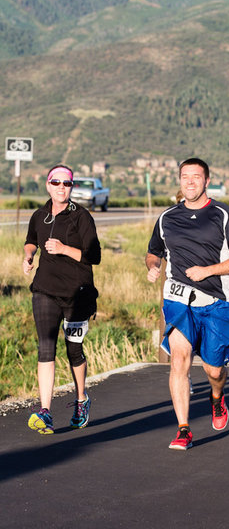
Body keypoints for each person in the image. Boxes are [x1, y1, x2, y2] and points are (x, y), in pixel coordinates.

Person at [146, 157, 229, 450]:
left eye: (196, 177)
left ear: (207, 181)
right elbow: (154, 250)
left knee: (214, 370)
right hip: (178, 298)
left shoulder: (223, 214)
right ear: (179, 180)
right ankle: (183, 428)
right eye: (185, 176)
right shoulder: (167, 217)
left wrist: (208, 271)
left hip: (217, 301)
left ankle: (217, 398)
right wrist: (153, 265)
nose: (190, 181)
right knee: (179, 359)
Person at [23, 164, 101, 434]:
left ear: (72, 187)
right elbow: (31, 239)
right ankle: (45, 411)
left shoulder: (81, 216)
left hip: (77, 293)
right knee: (46, 347)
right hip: (45, 289)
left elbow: (95, 256)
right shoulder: (39, 214)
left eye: (66, 184)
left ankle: (81, 400)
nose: (61, 188)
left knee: (73, 351)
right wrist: (29, 255)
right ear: (47, 185)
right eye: (55, 183)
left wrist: (65, 248)